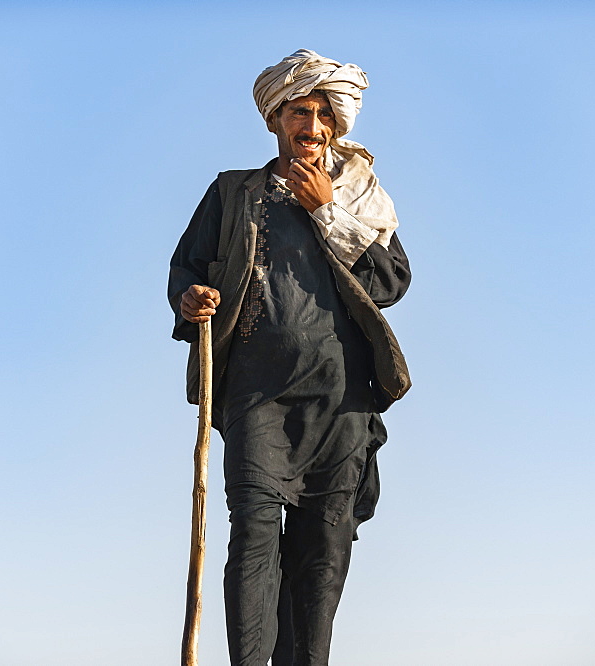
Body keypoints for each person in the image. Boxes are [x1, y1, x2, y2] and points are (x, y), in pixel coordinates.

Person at [168, 49, 412, 666]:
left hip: (341, 399)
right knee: (252, 533)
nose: (312, 127)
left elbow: (391, 283)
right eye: (299, 113)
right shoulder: (232, 193)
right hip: (256, 394)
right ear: (274, 119)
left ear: (336, 126)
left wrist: (327, 211)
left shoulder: (358, 196)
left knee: (323, 550)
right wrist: (191, 299)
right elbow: (186, 271)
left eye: (323, 116)